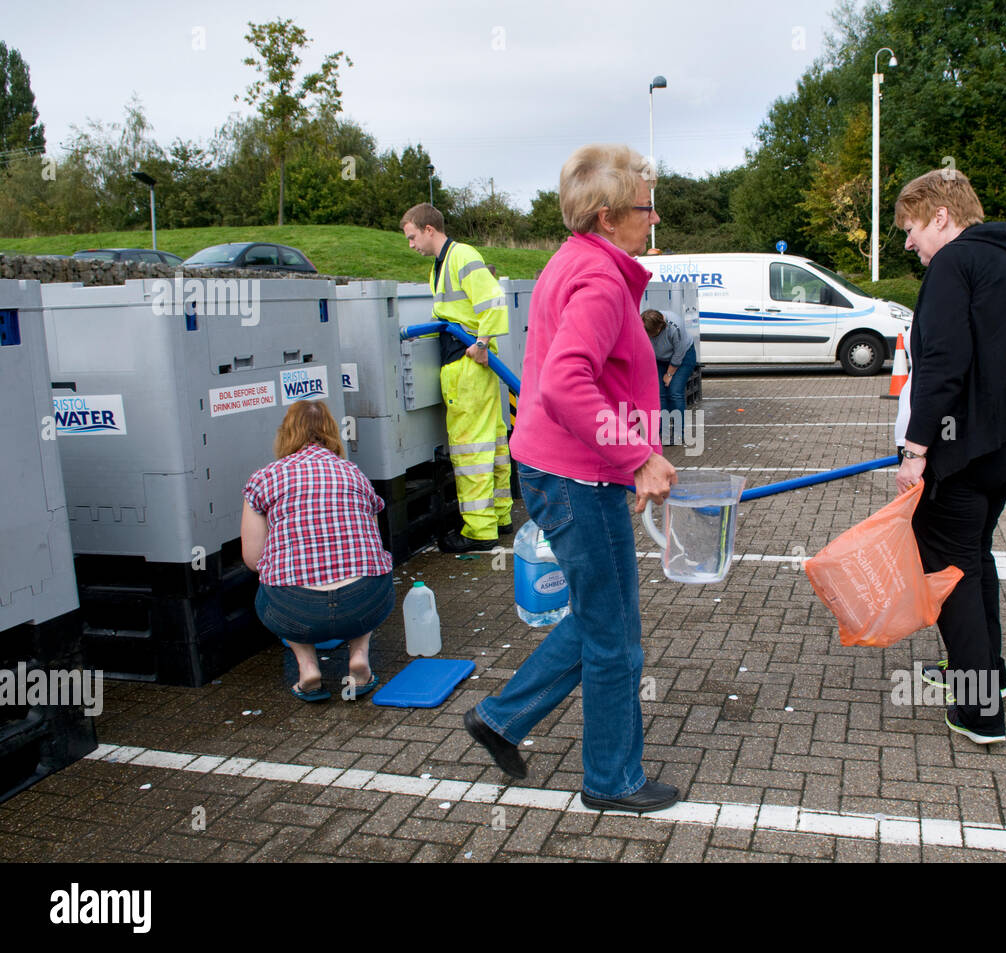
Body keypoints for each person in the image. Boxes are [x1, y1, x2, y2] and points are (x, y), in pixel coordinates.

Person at [463, 143, 680, 813]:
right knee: (615, 632)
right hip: (576, 475)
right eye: (647, 207)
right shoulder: (598, 279)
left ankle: (501, 717)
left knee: (598, 617)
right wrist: (637, 455)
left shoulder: (580, 263)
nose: (655, 218)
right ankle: (612, 779)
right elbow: (563, 383)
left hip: (571, 469)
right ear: (609, 214)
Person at [893, 169, 1006, 745]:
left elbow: (942, 361)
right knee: (974, 551)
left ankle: (979, 708)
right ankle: (989, 676)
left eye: (911, 228)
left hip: (966, 445)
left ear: (940, 216)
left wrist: (915, 451)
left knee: (949, 563)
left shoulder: (953, 264)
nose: (908, 243)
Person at [241, 401, 395, 702]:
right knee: (368, 566)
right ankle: (359, 658)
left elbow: (253, 560)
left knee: (274, 580)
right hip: (364, 604)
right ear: (331, 432)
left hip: (296, 611)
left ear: (285, 433)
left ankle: (308, 667)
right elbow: (374, 545)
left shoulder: (264, 478)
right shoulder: (354, 474)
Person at [401, 203, 514, 553]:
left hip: (465, 363)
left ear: (429, 229)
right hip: (470, 363)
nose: (411, 245)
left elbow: (493, 299)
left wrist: (481, 343)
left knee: (470, 448)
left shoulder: (460, 256)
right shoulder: (443, 264)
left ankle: (479, 532)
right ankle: (500, 515)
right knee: (492, 441)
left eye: (412, 236)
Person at [641, 307, 698, 444]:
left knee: (675, 392)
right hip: (659, 359)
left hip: (683, 357)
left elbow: (679, 353)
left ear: (659, 329)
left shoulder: (674, 327)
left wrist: (669, 374)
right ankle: (662, 432)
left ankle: (680, 433)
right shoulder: (641, 324)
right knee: (660, 394)